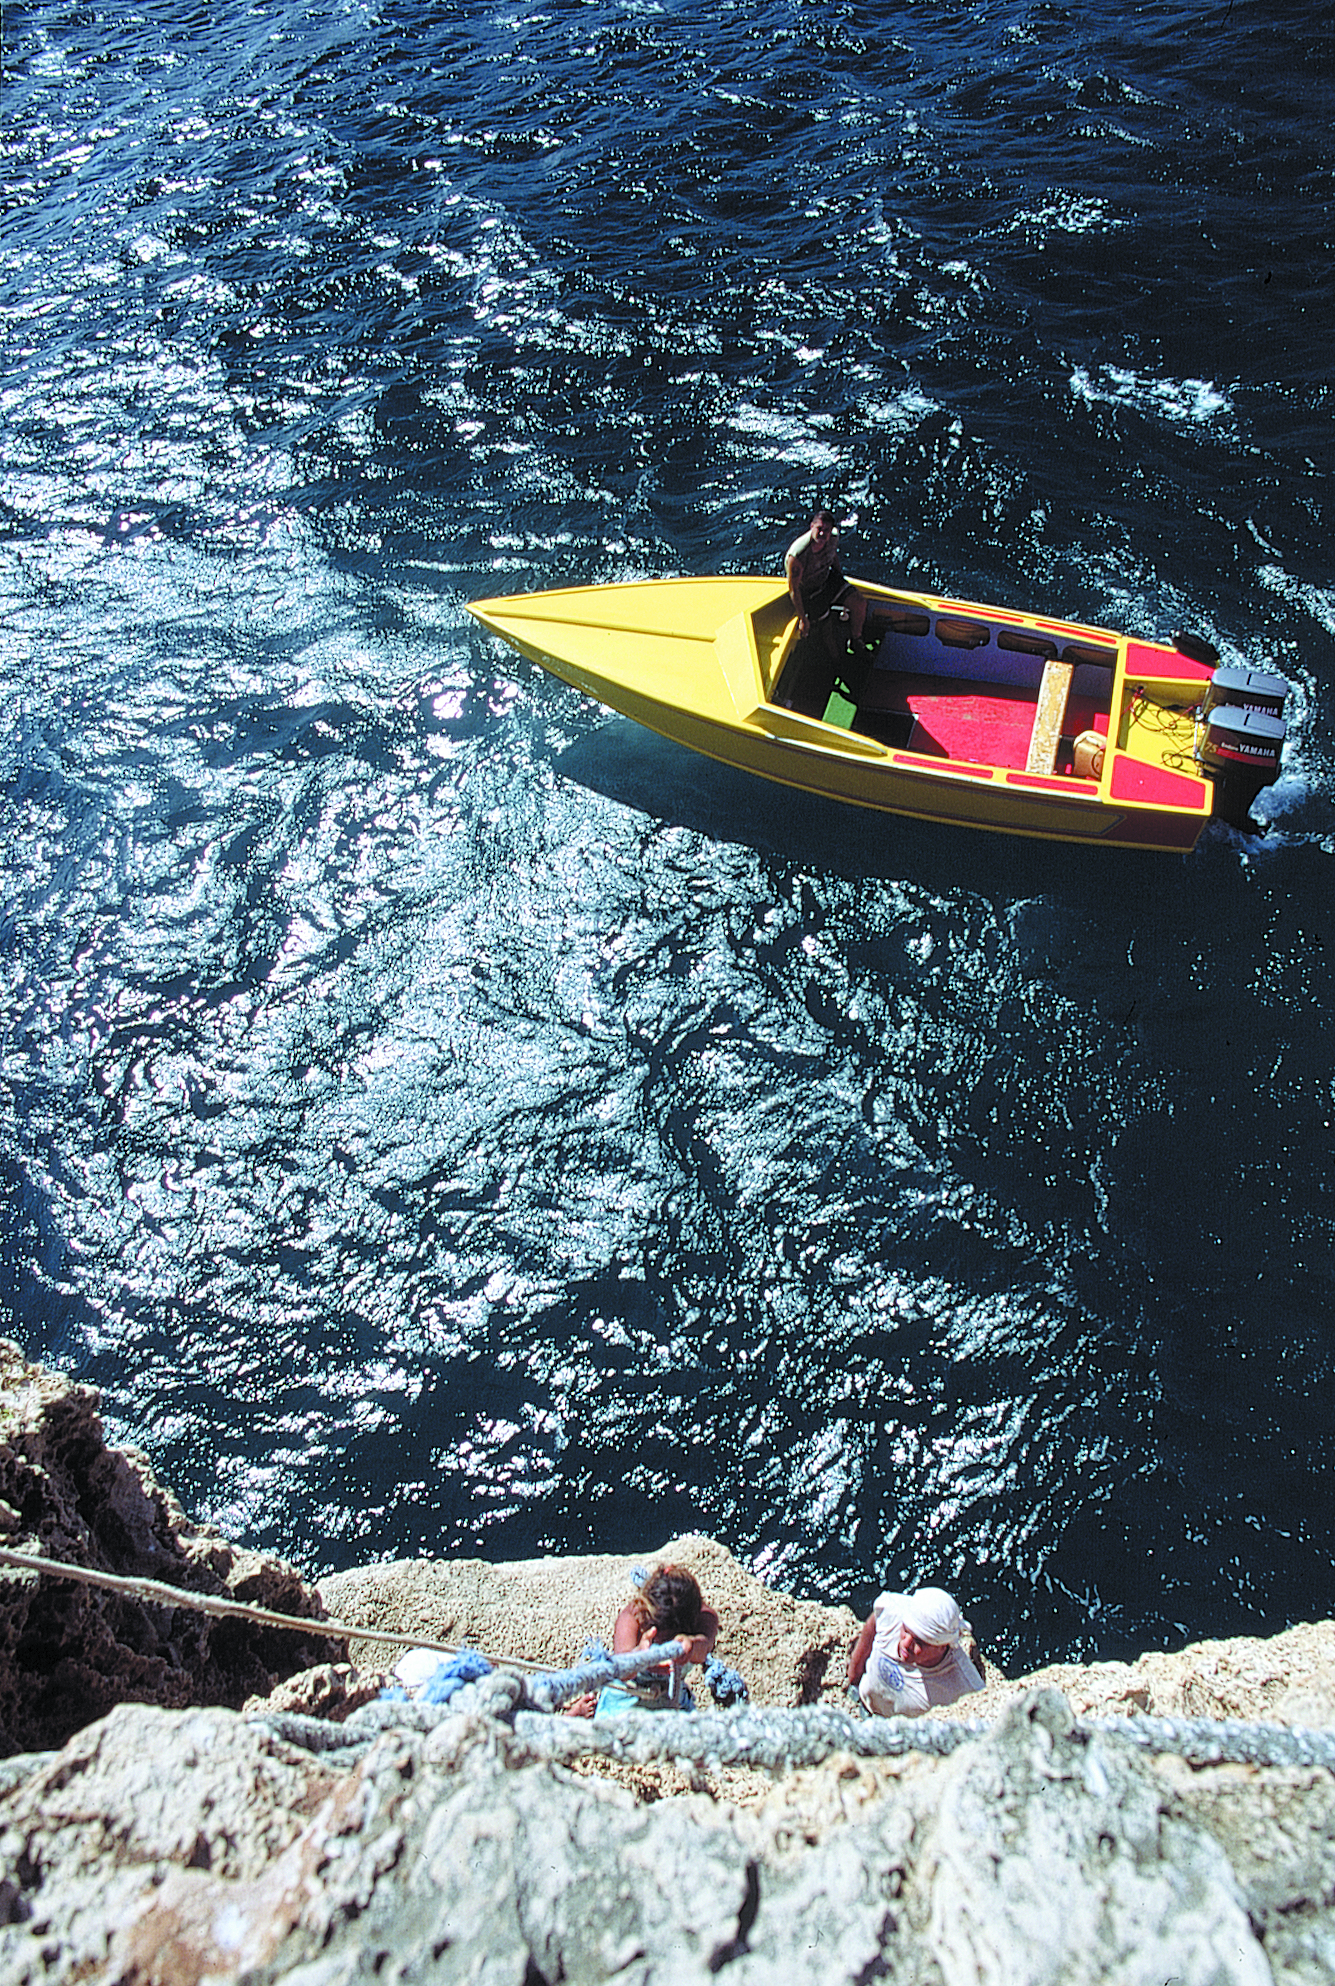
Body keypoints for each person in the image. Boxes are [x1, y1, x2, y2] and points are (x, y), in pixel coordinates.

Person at [590, 1562, 719, 1720]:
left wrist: (690, 1646)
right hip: (627, 1696)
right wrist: (639, 1656)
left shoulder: (705, 1618)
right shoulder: (633, 1615)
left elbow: (704, 1647)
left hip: (671, 1694)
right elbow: (621, 1670)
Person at [847, 1584, 984, 1719]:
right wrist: (854, 1675)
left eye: (919, 1642)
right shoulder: (890, 1610)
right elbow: (872, 1626)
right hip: (866, 1702)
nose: (905, 1644)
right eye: (905, 1631)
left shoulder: (965, 1687)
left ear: (942, 1646)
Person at [785, 508, 871, 657]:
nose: (823, 534)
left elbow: (832, 555)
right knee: (827, 630)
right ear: (812, 526)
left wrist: (839, 577)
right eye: (819, 529)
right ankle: (836, 662)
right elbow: (794, 590)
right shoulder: (798, 555)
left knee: (859, 603)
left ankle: (856, 639)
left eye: (827, 530)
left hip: (827, 579)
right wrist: (803, 619)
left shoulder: (832, 538)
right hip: (810, 593)